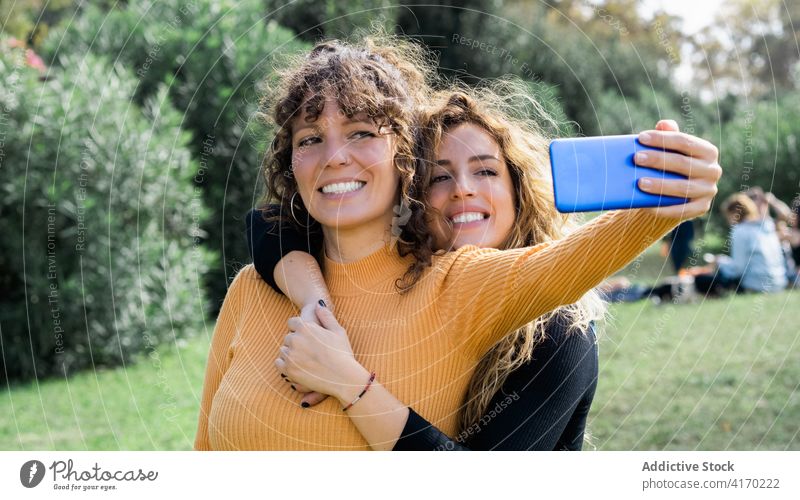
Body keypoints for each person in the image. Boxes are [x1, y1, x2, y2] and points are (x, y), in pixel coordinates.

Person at [194, 36, 721, 451]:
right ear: (291, 163)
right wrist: (315, 303)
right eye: (309, 139)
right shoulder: (253, 288)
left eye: (360, 132)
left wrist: (667, 197)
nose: (333, 155)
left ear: (407, 156)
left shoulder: (459, 283)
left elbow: (570, 261)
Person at [246, 87, 608, 450]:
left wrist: (347, 381)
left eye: (485, 171)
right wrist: (316, 301)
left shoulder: (558, 329)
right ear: (411, 196)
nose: (463, 190)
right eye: (438, 177)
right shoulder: (412, 283)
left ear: (519, 191)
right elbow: (265, 222)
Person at [694, 193, 787, 296]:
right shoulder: (768, 226)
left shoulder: (740, 230)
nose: (728, 221)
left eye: (728, 216)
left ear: (734, 214)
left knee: (700, 280)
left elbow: (738, 270)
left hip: (756, 285)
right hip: (779, 283)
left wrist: (719, 261)